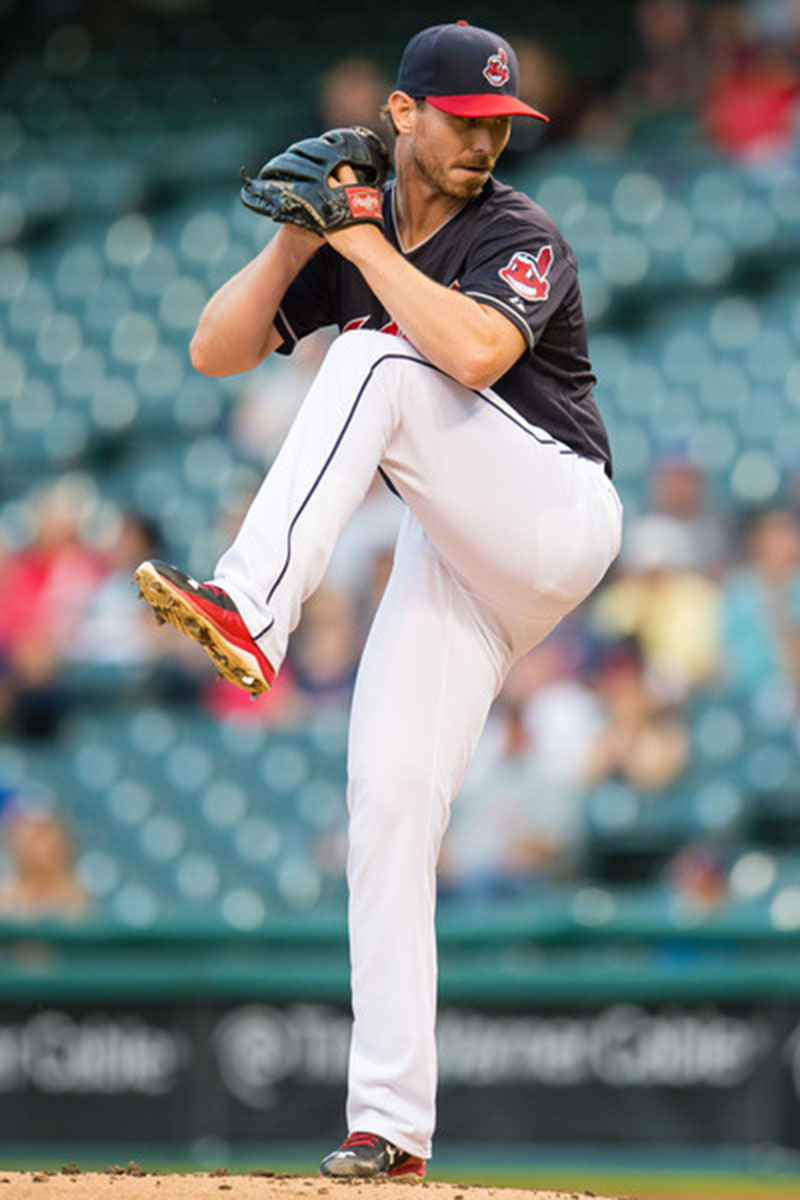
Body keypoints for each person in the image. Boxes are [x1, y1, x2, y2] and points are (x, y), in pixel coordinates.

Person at [134, 21, 622, 1179]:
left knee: (370, 359)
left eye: (500, 124)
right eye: (464, 120)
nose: (484, 141)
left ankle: (251, 604)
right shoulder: (362, 235)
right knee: (389, 803)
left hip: (552, 515)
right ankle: (390, 1126)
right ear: (404, 115)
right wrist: (299, 243)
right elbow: (215, 350)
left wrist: (366, 249)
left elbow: (466, 355)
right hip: (456, 554)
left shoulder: (520, 232)